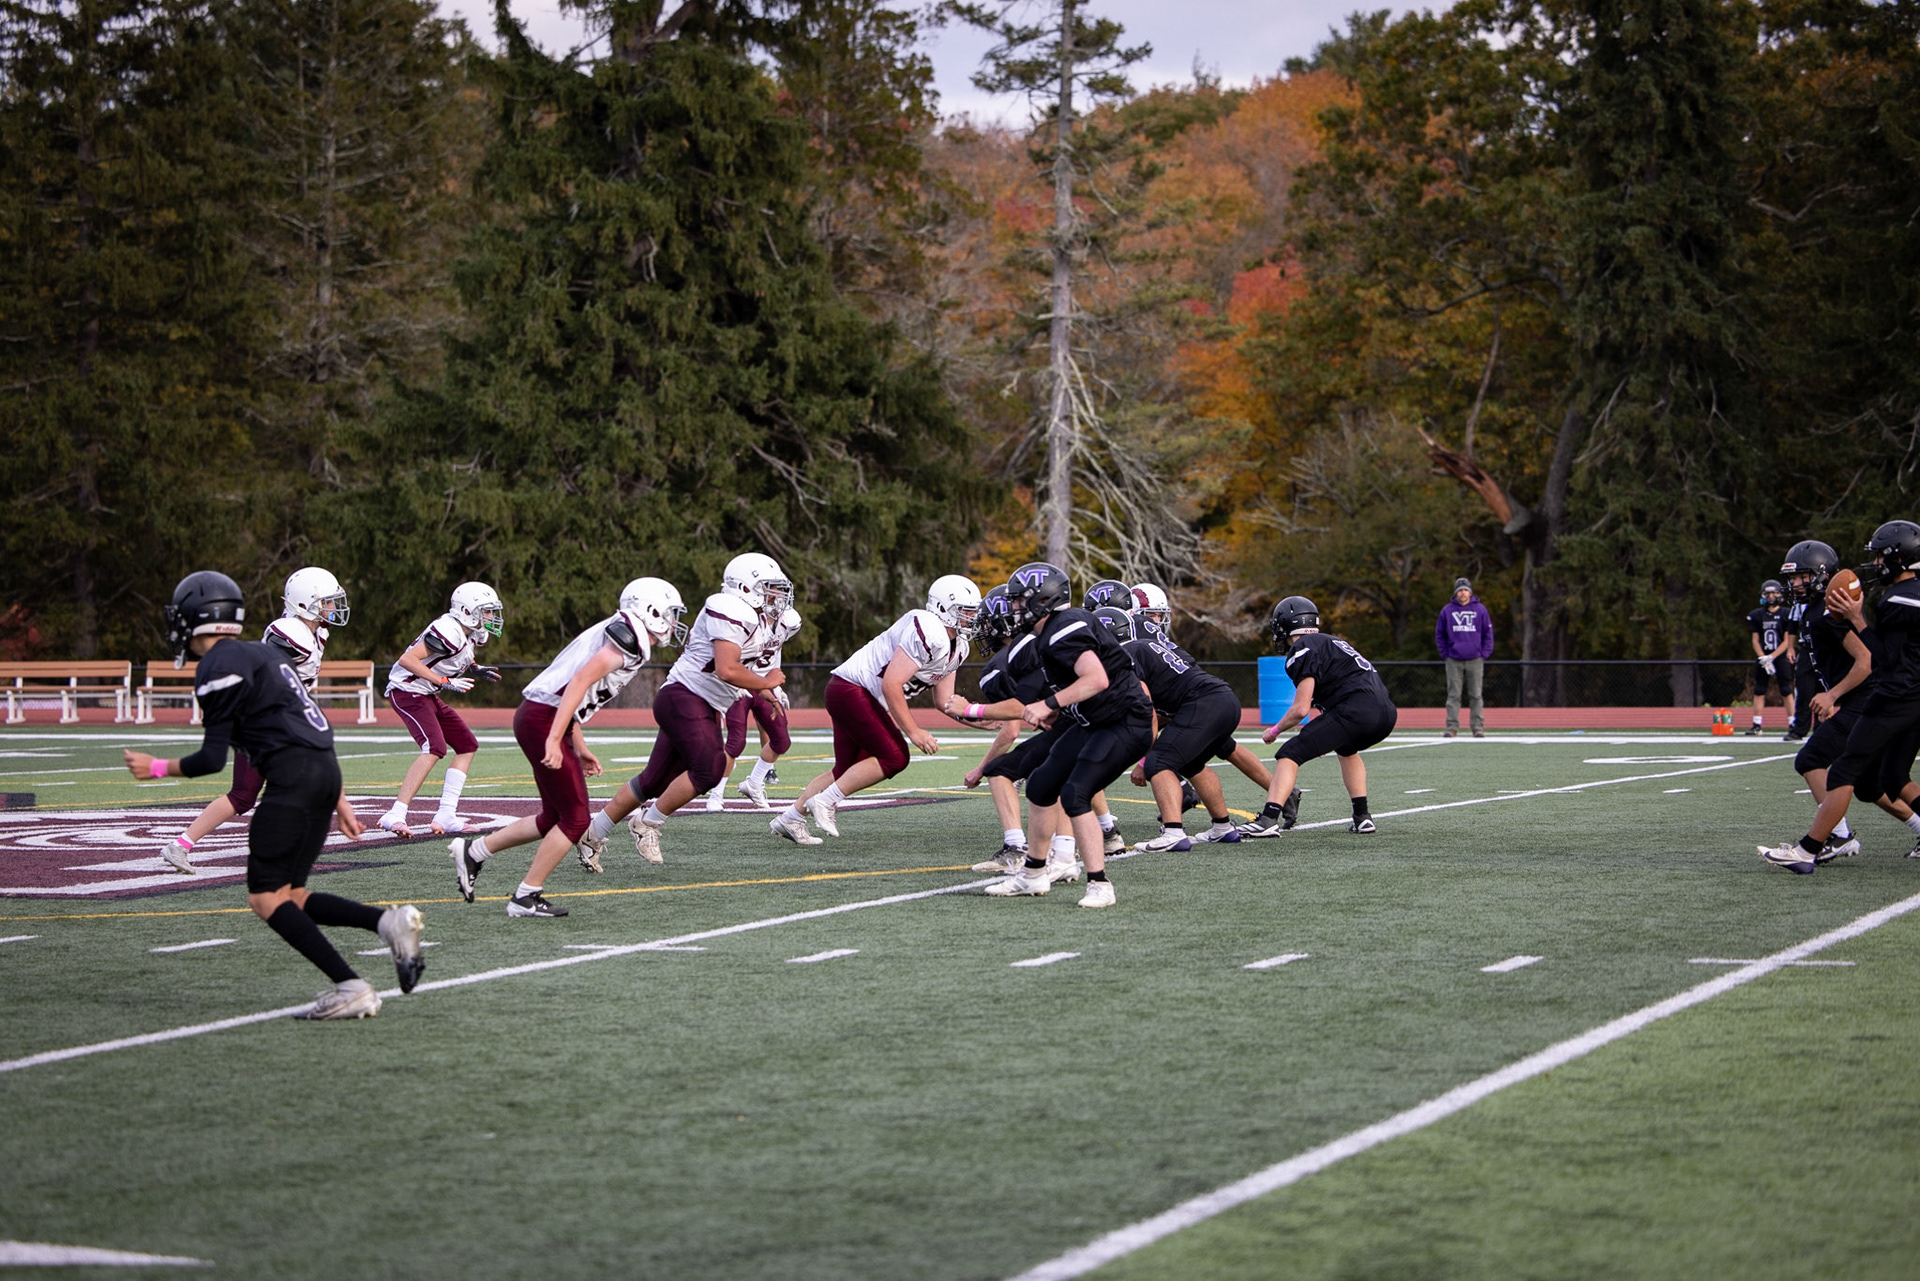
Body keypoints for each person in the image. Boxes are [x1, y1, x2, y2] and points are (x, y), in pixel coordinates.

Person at [124, 571, 423, 1019]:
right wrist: (337, 797)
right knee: (292, 895)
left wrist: (157, 768)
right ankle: (387, 922)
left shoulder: (219, 665)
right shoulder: (266, 656)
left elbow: (210, 759)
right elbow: (312, 726)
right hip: (321, 768)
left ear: (194, 619)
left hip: (291, 779)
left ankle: (351, 986)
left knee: (266, 898)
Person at [448, 578, 685, 915]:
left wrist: (578, 743)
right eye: (671, 614)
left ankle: (474, 852)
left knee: (553, 817)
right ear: (651, 611)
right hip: (543, 718)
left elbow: (576, 692)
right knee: (575, 819)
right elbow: (579, 681)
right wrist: (554, 736)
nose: (674, 623)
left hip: (541, 716)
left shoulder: (624, 632)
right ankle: (525, 896)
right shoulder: (628, 639)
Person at [960, 563, 1152, 908]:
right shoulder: (1051, 632)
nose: (1015, 608)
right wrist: (1056, 709)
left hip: (1124, 721)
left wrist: (1048, 703)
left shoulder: (1064, 629)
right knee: (1040, 785)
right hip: (1094, 720)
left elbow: (1096, 680)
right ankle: (1033, 874)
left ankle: (1099, 884)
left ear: (1044, 599)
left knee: (1076, 793)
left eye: (1020, 601)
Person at [581, 554, 790, 866]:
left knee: (652, 781)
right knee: (711, 768)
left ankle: (592, 835)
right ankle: (648, 823)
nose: (776, 596)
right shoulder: (730, 608)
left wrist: (766, 690)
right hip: (685, 697)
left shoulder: (759, 620)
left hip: (700, 703)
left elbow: (734, 672)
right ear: (746, 588)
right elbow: (727, 669)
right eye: (769, 588)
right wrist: (766, 681)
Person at [159, 566, 350, 875]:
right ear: (305, 603)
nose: (332, 608)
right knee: (245, 794)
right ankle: (180, 845)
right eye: (326, 601)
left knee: (268, 789)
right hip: (260, 721)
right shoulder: (291, 633)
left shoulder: (315, 633)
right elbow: (263, 670)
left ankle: (187, 845)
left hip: (279, 720)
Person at [770, 574, 980, 845]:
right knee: (895, 757)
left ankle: (791, 817)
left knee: (845, 769)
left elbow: (945, 701)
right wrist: (914, 732)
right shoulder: (929, 627)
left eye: (973, 613)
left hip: (852, 692)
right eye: (965, 612)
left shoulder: (958, 646)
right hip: (852, 689)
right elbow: (892, 684)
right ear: (942, 607)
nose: (971, 619)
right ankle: (825, 801)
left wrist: (979, 718)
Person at [1762, 522, 1920, 873]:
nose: (1795, 584)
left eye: (1802, 577)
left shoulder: (1835, 612)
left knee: (1815, 760)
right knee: (1875, 782)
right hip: (1885, 698)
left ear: (1820, 576)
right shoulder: (1815, 611)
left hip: (1876, 699)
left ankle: (1829, 840)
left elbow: (1868, 660)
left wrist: (1832, 694)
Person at [1102, 602, 1274, 851]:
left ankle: (1173, 833)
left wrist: (1144, 758)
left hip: (1204, 704)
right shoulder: (1146, 645)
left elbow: (1146, 707)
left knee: (1158, 762)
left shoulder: (1127, 653)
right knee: (1192, 764)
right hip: (1222, 699)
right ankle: (1223, 827)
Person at [1239, 596, 1399, 837]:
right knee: (1346, 749)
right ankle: (1362, 817)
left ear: (1287, 625)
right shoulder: (1333, 642)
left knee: (1288, 754)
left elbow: (1300, 710)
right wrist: (1326, 732)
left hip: (1355, 711)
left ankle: (1269, 819)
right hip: (1386, 713)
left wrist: (1274, 731)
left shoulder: (1303, 648)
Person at [378, 582, 504, 836]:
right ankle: (395, 814)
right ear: (467, 611)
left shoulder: (470, 631)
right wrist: (444, 682)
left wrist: (475, 668)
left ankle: (446, 814)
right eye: (486, 611)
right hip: (407, 691)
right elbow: (408, 659)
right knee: (434, 748)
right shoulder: (448, 630)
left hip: (427, 694)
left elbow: (458, 655)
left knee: (467, 745)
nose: (491, 617)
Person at [705, 606, 801, 811]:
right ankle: (716, 793)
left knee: (782, 740)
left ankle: (754, 783)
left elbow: (774, 661)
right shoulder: (750, 623)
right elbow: (732, 658)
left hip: (762, 687)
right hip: (740, 686)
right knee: (736, 741)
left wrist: (774, 687)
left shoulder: (780, 628)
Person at [1435, 577, 1493, 738]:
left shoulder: (1480, 609)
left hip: (1475, 659)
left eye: (1465, 589)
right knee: (1454, 695)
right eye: (1460, 590)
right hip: (1454, 659)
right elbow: (1440, 634)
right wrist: (1445, 654)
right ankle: (1452, 727)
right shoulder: (1447, 610)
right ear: (1456, 593)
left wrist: (1484, 654)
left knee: (1476, 694)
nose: (1463, 592)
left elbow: (1488, 634)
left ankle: (1477, 727)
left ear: (1470, 592)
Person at [1748, 579, 1795, 735]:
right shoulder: (1756, 615)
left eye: (1774, 593)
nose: (1771, 596)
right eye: (1768, 593)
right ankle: (1756, 724)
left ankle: (1792, 723)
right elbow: (1755, 639)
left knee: (1786, 689)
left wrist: (1772, 656)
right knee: (1759, 690)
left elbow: (1788, 640)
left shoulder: (1786, 614)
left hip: (1779, 656)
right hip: (1763, 656)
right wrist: (1763, 657)